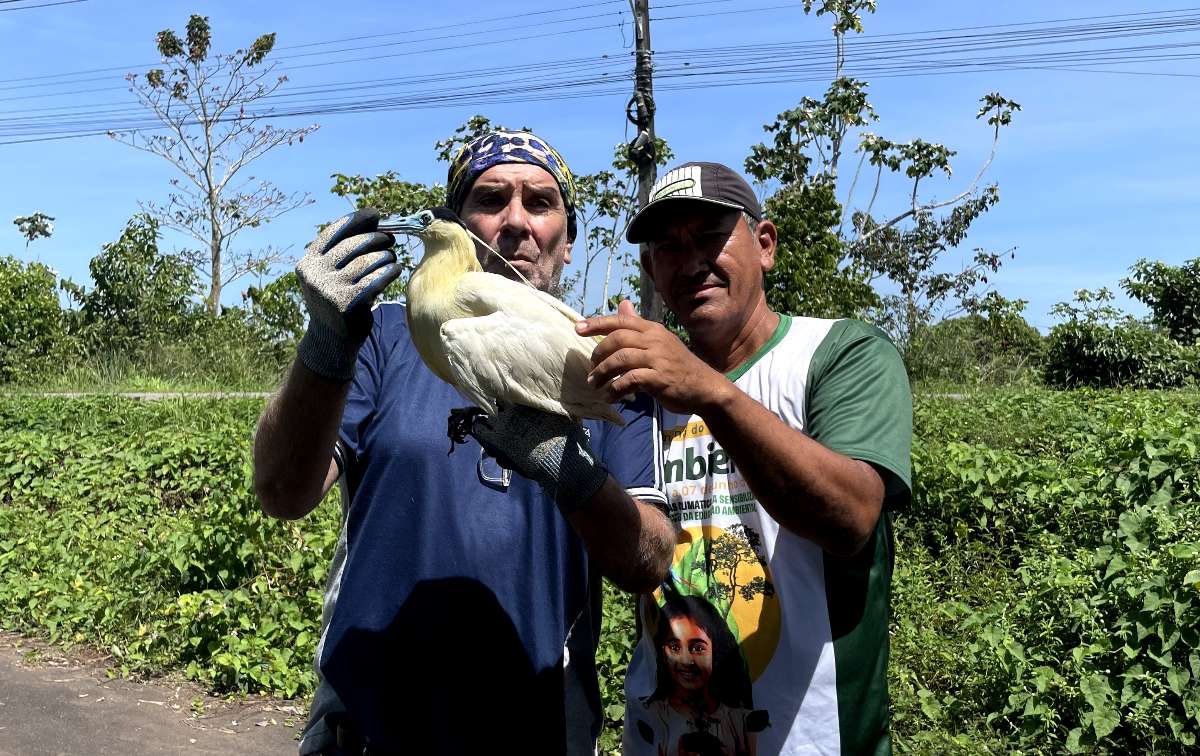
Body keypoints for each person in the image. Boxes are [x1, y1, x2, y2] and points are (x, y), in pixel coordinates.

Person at [252, 129, 676, 755]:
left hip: (539, 727)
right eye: (490, 199)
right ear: (458, 222)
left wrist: (575, 478)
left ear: (568, 238)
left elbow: (650, 563)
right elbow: (284, 492)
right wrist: (326, 344)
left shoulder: (612, 364)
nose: (515, 222)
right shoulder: (383, 337)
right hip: (367, 726)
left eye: (539, 202)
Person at [576, 162, 912, 754]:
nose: (691, 261)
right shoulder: (636, 388)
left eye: (710, 237)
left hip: (813, 738)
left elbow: (851, 518)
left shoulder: (838, 355)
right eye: (667, 248)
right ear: (652, 270)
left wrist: (710, 390)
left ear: (764, 246)